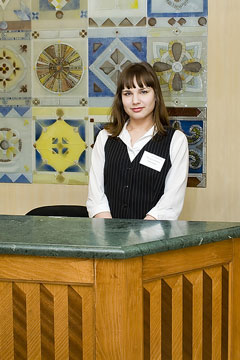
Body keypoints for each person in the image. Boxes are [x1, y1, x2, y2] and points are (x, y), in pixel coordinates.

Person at [87, 61, 189, 220]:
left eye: (143, 92)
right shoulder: (105, 137)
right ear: (121, 98)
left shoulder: (176, 140)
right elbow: (96, 196)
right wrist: (110, 234)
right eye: (128, 93)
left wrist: (142, 238)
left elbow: (171, 203)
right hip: (108, 237)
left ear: (155, 95)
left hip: (154, 239)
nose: (135, 101)